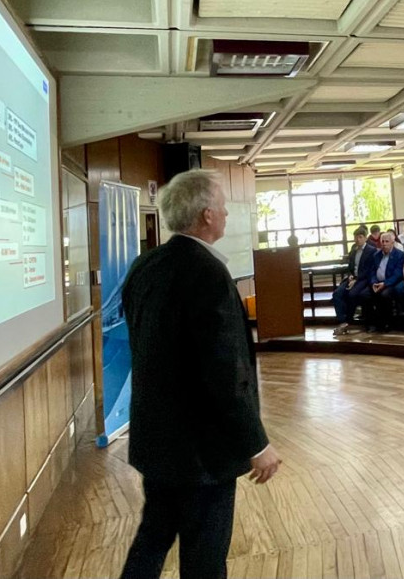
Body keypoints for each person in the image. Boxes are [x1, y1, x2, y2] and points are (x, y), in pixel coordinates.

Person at [119, 170, 280, 579]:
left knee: (152, 538)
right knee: (205, 557)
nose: (227, 211)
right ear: (207, 215)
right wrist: (256, 442)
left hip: (157, 443)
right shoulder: (208, 274)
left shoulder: (144, 267)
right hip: (202, 453)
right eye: (222, 205)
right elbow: (224, 372)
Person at [332, 227, 377, 337]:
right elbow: (350, 268)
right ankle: (343, 321)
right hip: (352, 278)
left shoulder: (371, 250)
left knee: (352, 294)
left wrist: (356, 279)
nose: (358, 239)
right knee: (337, 294)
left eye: (360, 237)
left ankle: (348, 320)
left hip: (364, 278)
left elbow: (369, 270)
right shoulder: (353, 251)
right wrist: (351, 276)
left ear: (365, 238)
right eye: (356, 237)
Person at [368, 231, 404, 332]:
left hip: (391, 283)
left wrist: (384, 284)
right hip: (377, 283)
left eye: (387, 241)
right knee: (365, 295)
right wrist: (373, 282)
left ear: (392, 243)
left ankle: (387, 323)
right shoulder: (376, 255)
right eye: (382, 241)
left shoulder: (400, 255)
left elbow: (397, 274)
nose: (384, 244)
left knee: (384, 295)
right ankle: (372, 323)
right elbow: (372, 271)